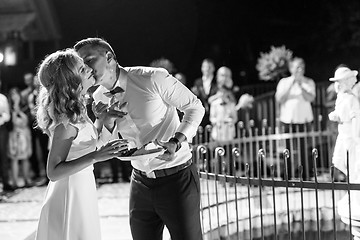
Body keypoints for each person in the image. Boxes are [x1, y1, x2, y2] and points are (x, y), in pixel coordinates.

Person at [74, 37, 205, 240]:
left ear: (109, 57)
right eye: (81, 65)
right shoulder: (98, 97)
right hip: (139, 181)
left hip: (177, 178)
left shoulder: (153, 78)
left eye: (89, 60)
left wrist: (176, 141)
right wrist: (106, 122)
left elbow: (195, 107)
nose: (85, 69)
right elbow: (106, 144)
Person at [35, 49, 128, 240]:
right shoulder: (65, 123)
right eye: (82, 68)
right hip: (70, 191)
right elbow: (53, 172)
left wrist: (103, 120)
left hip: (83, 185)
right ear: (71, 79)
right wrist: (96, 157)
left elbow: (86, 145)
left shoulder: (78, 110)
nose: (89, 70)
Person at [328, 66, 360, 240]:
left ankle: (355, 192)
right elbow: (342, 115)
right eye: (337, 82)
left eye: (340, 82)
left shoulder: (351, 99)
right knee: (341, 162)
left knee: (349, 163)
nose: (338, 85)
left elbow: (355, 118)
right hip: (344, 134)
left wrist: (356, 139)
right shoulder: (343, 97)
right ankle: (353, 191)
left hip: (350, 137)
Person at [275, 57, 316, 179]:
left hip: (304, 120)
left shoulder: (308, 82)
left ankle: (305, 175)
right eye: (297, 67)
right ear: (291, 68)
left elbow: (311, 98)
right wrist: (292, 83)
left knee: (304, 148)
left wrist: (300, 85)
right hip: (288, 120)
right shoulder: (283, 82)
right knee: (287, 148)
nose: (300, 69)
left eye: (302, 66)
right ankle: (287, 174)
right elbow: (279, 98)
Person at [7, 87, 33, 188]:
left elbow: (26, 121)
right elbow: (11, 123)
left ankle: (27, 180)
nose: (15, 97)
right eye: (12, 95)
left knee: (25, 157)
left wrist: (18, 110)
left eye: (16, 94)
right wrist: (14, 110)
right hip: (14, 135)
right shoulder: (9, 108)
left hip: (25, 134)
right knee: (14, 158)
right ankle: (14, 182)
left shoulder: (25, 106)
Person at [191, 58, 218, 127]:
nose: (207, 69)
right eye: (205, 67)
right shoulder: (197, 82)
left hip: (214, 114)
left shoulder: (217, 82)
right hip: (201, 116)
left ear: (213, 68)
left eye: (209, 67)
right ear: (202, 68)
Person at [0, 80, 13, 192]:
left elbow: (7, 115)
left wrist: (1, 118)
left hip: (1, 128)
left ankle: (6, 182)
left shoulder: (2, 98)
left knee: (3, 154)